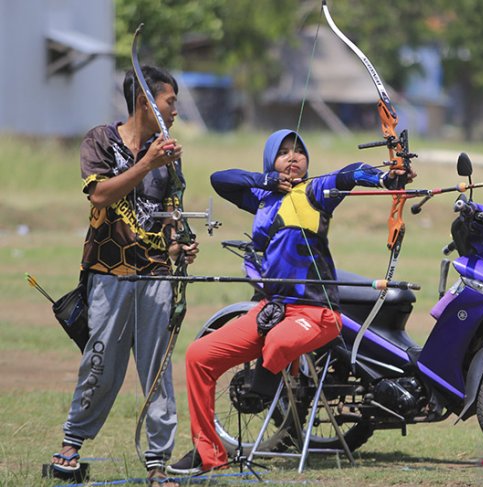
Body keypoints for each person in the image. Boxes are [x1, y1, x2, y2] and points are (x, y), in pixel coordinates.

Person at [167, 129, 415, 475]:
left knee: (279, 341)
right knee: (198, 357)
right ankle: (208, 454)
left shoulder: (316, 191)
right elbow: (219, 180)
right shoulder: (262, 198)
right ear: (271, 161)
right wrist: (265, 181)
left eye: (299, 151)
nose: (293, 157)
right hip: (272, 310)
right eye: (283, 152)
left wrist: (385, 177)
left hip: (318, 313)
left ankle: (265, 383)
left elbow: (351, 173)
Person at [49, 65, 198, 487]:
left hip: (156, 276)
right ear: (145, 102)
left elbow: (171, 218)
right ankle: (71, 445)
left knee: (159, 372)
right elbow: (99, 193)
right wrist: (147, 161)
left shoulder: (169, 156)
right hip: (108, 273)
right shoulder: (101, 140)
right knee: (101, 364)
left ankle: (157, 465)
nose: (176, 110)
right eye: (170, 101)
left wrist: (179, 246)